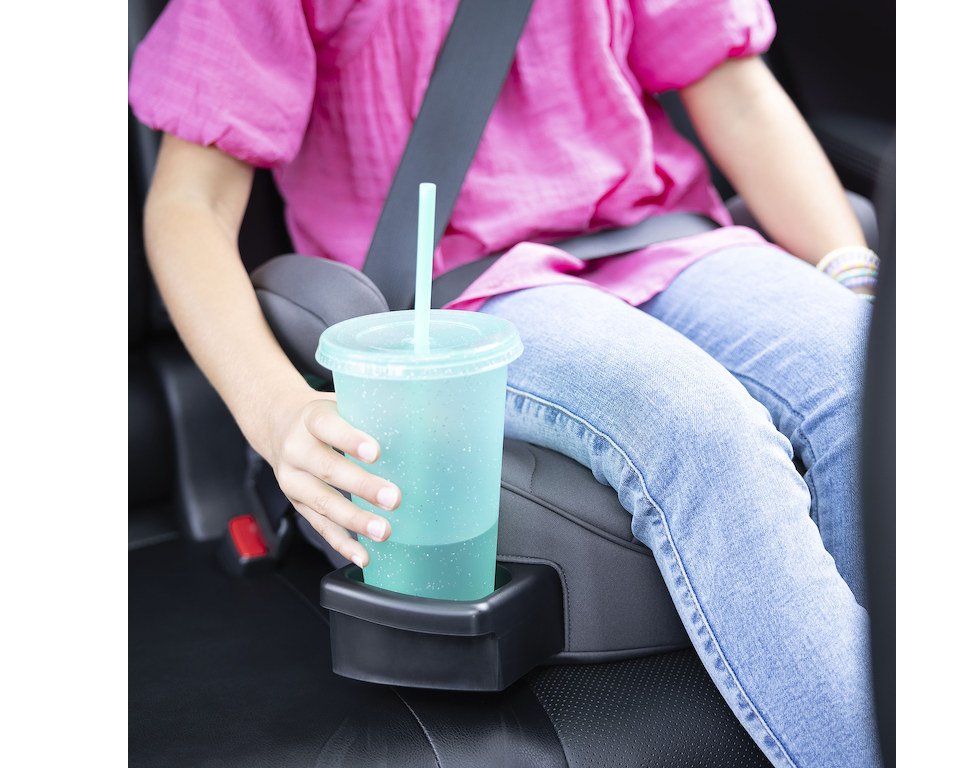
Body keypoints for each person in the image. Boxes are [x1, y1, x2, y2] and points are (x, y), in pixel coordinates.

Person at [130, 1, 882, 766]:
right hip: (464, 291)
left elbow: (739, 94)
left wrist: (849, 276)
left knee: (871, 382)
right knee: (696, 427)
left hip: (666, 237)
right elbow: (191, 202)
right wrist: (276, 410)